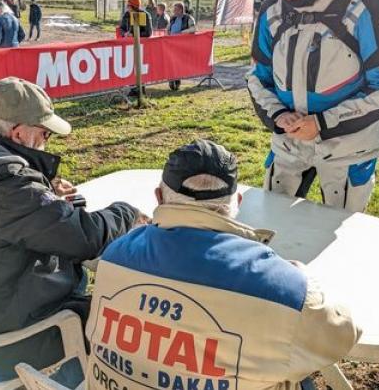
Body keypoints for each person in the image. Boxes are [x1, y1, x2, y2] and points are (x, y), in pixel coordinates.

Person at [0, 77, 148, 385]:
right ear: (19, 133)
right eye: (45, 133)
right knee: (120, 323)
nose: (47, 140)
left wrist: (43, 192)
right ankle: (65, 383)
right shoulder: (9, 187)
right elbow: (84, 238)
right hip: (1, 334)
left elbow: (1, 216)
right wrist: (126, 212)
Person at [86, 139, 361, 390]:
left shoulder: (114, 255)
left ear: (159, 197)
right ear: (237, 203)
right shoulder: (284, 290)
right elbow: (342, 336)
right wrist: (305, 283)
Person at [248, 0, 379, 213]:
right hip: (289, 143)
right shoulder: (272, 10)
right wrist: (277, 115)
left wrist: (323, 123)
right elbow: (257, 76)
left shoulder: (368, 5)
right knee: (271, 225)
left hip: (348, 147)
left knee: (340, 239)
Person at [167, 2, 197, 91]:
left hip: (182, 45)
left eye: (176, 9)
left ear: (181, 9)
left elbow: (194, 29)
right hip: (170, 44)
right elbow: (168, 28)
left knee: (177, 63)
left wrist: (181, 33)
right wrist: (167, 35)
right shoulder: (172, 18)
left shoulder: (188, 18)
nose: (174, 11)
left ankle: (177, 81)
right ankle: (172, 79)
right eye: (174, 9)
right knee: (171, 62)